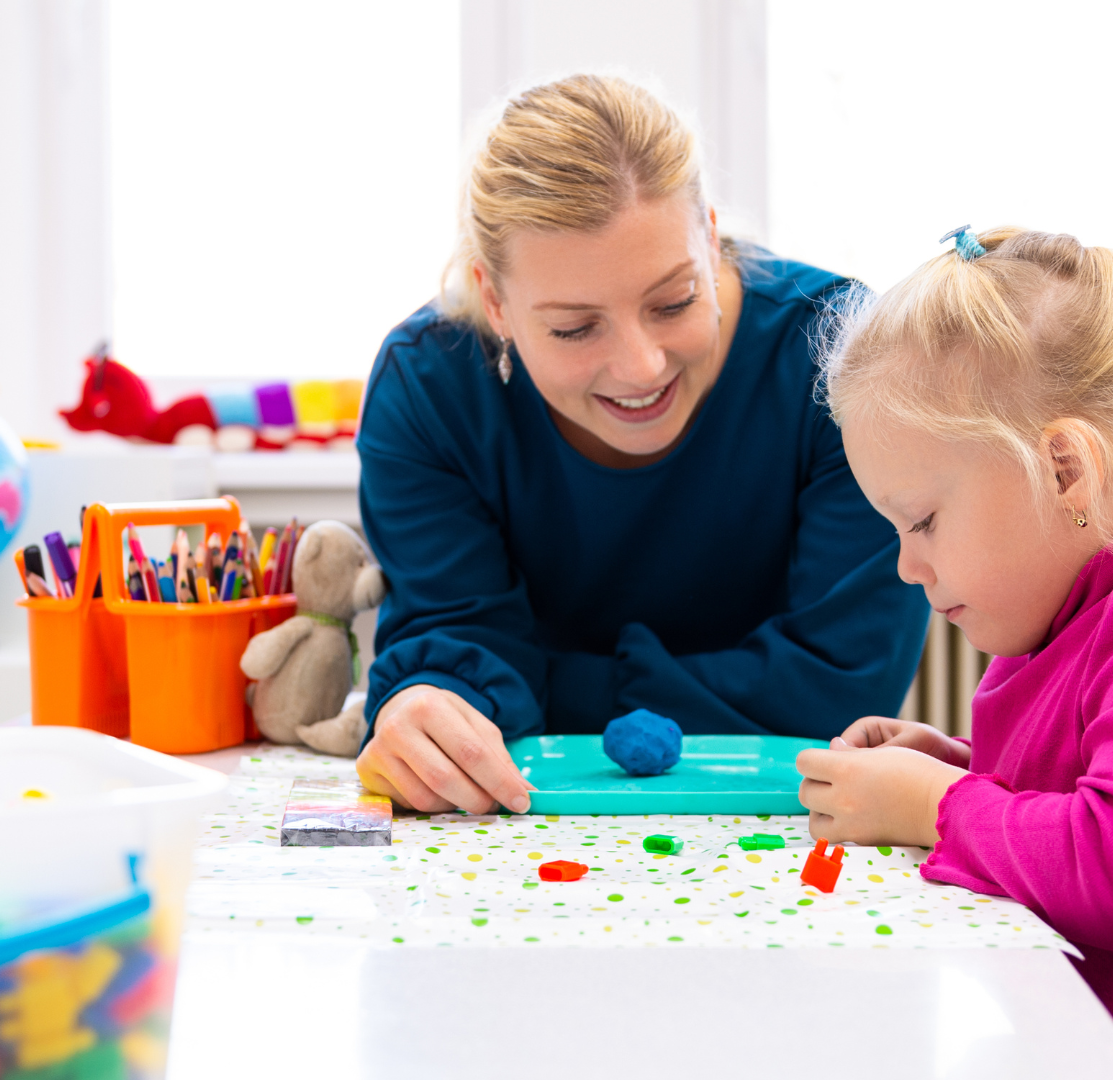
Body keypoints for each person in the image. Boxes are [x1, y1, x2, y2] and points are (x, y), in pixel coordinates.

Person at [800, 227, 1113, 1080]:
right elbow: (1094, 784)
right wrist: (963, 766)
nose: (905, 565)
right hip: (1066, 1041)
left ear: (1066, 469)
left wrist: (941, 806)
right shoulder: (1078, 596)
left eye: (922, 521)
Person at [354, 74, 928, 816]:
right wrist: (428, 708)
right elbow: (453, 652)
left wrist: (537, 685)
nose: (641, 367)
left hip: (792, 821)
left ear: (711, 238)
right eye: (573, 328)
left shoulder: (843, 356)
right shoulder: (428, 388)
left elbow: (839, 689)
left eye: (675, 300)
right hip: (527, 829)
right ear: (494, 301)